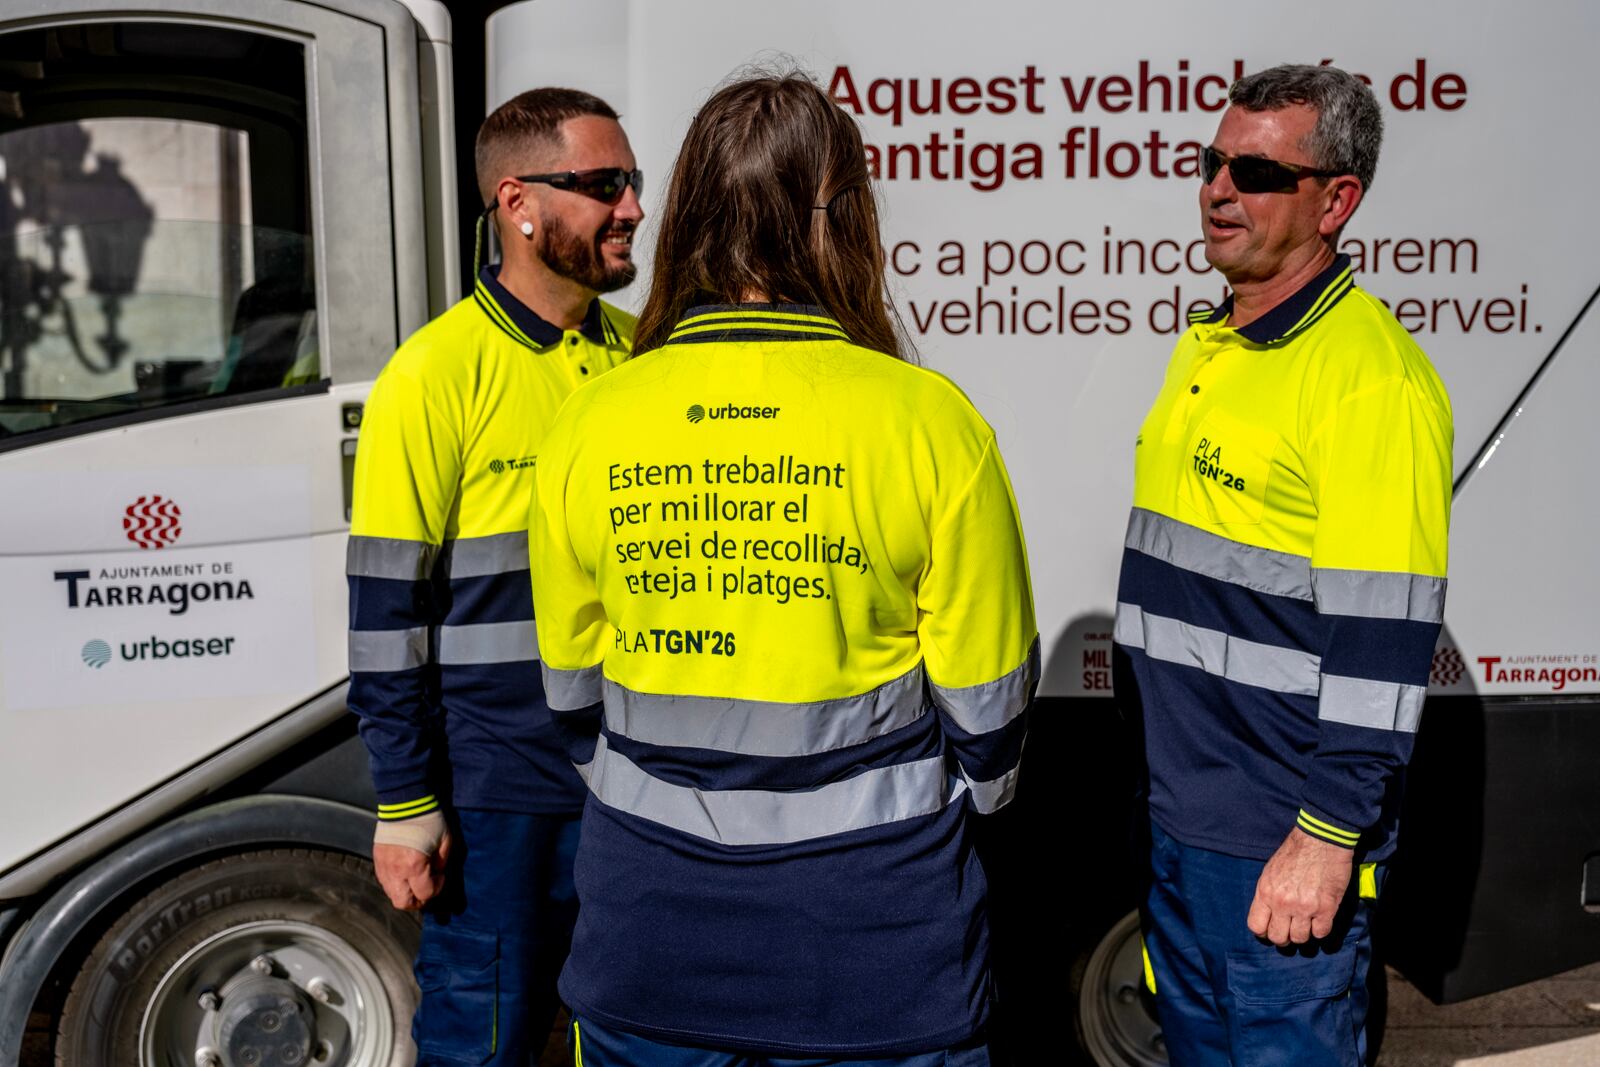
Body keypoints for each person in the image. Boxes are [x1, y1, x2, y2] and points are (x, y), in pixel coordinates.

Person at [527, 71, 1037, 1066]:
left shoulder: (590, 418)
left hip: (647, 932)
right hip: (874, 943)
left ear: (689, 216)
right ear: (842, 219)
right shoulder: (928, 420)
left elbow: (570, 696)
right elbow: (990, 720)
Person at [1112, 64, 1453, 1064]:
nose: (1219, 187)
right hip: (1182, 825)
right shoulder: (1213, 343)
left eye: (1256, 170)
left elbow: (1383, 636)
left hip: (1271, 844)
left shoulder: (1368, 382)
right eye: (1212, 161)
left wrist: (1325, 835)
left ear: (1335, 200)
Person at [345, 87, 642, 1064]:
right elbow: (386, 613)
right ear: (517, 201)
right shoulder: (434, 375)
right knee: (485, 1042)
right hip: (497, 797)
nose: (633, 207)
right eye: (604, 185)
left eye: (632, 184)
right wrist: (405, 802)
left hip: (640, 784)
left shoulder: (647, 354)